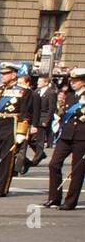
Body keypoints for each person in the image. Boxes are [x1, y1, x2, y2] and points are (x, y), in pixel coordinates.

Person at [0, 61, 31, 197]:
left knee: (6, 158)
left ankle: (2, 188)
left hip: (11, 123)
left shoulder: (23, 90)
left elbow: (25, 113)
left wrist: (21, 132)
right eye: (2, 73)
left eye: (6, 74)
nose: (3, 76)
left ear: (14, 74)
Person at [44, 68, 85, 210]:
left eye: (76, 81)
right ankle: (54, 198)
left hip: (82, 137)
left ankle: (70, 201)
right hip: (66, 135)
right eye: (72, 80)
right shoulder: (70, 96)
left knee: (77, 170)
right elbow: (62, 114)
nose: (73, 83)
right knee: (54, 164)